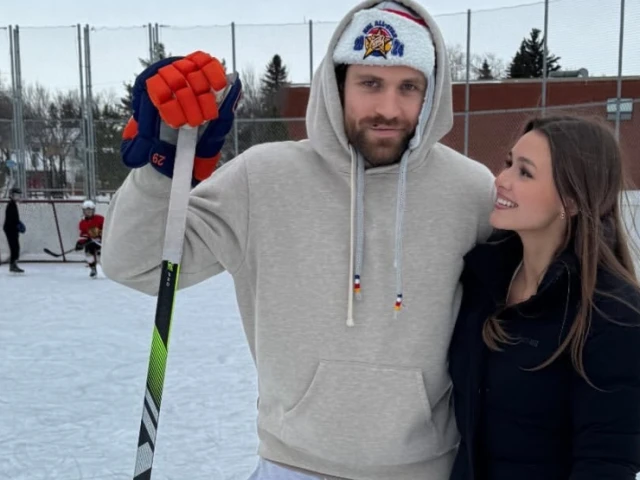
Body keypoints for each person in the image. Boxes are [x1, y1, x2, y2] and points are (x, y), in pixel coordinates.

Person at [101, 1, 496, 478]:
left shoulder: (473, 192)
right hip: (291, 465)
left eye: (408, 86)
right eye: (370, 83)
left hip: (426, 469)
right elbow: (135, 264)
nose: (388, 109)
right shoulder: (264, 177)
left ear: (431, 94)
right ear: (337, 85)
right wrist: (163, 165)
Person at [448, 115, 640, 480]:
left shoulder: (614, 313)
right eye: (508, 163)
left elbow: (607, 461)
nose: (500, 180)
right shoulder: (483, 278)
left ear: (569, 200)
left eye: (525, 173)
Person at [75, 199, 104, 278]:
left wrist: (100, 234)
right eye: (86, 210)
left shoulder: (100, 219)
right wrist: (80, 243)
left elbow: (106, 228)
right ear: (83, 211)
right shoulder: (82, 222)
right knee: (88, 255)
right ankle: (93, 269)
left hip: (100, 242)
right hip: (90, 242)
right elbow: (83, 234)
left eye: (90, 210)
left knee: (100, 257)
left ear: (93, 210)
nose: (88, 212)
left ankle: (106, 269)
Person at [3, 187, 25, 273]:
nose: (18, 197)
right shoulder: (10, 205)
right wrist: (17, 225)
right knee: (14, 248)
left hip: (12, 230)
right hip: (10, 230)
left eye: (18, 195)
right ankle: (12, 265)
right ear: (11, 196)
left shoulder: (13, 204)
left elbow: (15, 218)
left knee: (16, 247)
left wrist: (18, 224)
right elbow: (11, 219)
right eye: (16, 195)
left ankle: (13, 264)